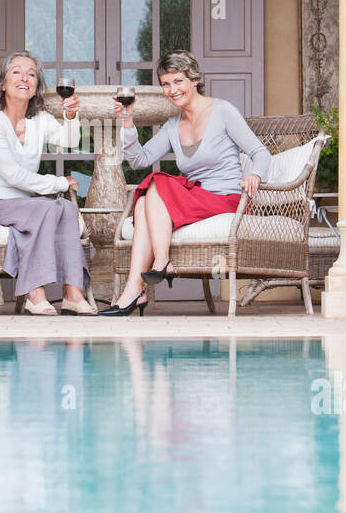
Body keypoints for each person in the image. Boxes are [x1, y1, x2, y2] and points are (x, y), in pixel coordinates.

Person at [100, 50, 271, 316]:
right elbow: (139, 160)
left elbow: (260, 153)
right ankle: (135, 289)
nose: (172, 90)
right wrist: (127, 121)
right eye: (166, 84)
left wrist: (255, 174)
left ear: (194, 79)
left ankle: (159, 263)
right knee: (145, 198)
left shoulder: (223, 111)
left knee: (155, 183)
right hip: (196, 198)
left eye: (178, 81)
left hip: (226, 199)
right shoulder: (173, 125)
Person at [0, 52, 96, 316]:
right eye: (16, 72)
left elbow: (68, 141)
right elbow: (12, 175)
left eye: (31, 73)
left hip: (23, 206)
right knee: (47, 208)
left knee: (66, 209)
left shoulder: (39, 120)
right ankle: (35, 293)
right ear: (2, 83)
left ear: (36, 86)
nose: (24, 77)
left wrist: (70, 116)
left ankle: (72, 293)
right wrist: (59, 182)